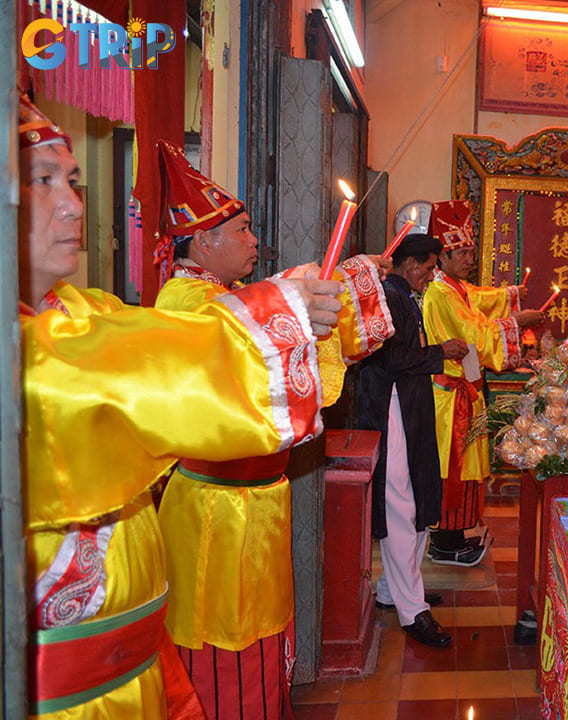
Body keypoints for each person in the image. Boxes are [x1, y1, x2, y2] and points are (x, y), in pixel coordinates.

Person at [18, 94, 343, 719]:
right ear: (203, 242)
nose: (73, 204)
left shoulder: (86, 312)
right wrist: (284, 310)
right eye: (43, 181)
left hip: (136, 656)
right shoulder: (43, 349)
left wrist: (295, 303)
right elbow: (169, 363)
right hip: (69, 689)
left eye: (74, 181)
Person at [151, 141, 394, 718]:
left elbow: (261, 320)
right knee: (220, 642)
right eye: (240, 230)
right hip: (215, 511)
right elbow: (239, 328)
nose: (253, 240)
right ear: (202, 241)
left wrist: (341, 280)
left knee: (259, 636)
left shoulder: (222, 295)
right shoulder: (184, 297)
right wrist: (307, 287)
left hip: (255, 503)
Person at [357, 233, 468, 647]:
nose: (431, 274)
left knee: (418, 497)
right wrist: (442, 352)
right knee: (401, 504)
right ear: (407, 265)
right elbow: (392, 357)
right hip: (392, 409)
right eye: (428, 266)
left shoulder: (404, 296)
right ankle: (412, 611)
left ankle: (396, 589)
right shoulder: (390, 297)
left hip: (411, 408)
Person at [421, 201, 543, 565]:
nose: (469, 257)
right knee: (453, 469)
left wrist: (509, 296)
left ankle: (454, 535)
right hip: (449, 396)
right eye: (462, 251)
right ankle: (446, 541)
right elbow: (474, 331)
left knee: (462, 468)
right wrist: (517, 319)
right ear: (442, 256)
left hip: (462, 392)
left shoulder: (454, 288)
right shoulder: (440, 293)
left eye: (472, 250)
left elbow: (479, 299)